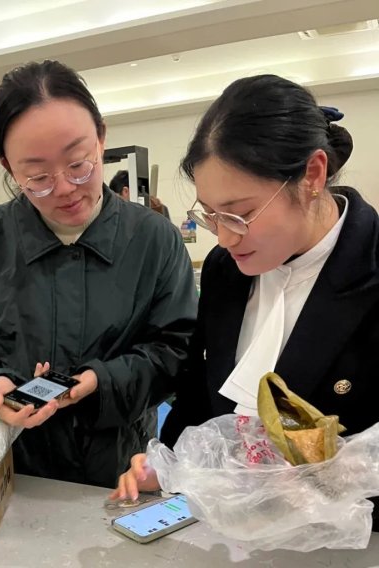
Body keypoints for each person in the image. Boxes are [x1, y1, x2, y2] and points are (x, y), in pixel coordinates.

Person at [112, 74, 379, 515]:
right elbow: (200, 397)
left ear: (313, 174)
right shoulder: (227, 270)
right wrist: (171, 465)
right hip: (227, 531)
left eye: (240, 214)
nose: (224, 238)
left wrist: (331, 483)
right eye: (210, 215)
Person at [0, 60, 198, 488]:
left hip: (122, 469)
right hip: (13, 471)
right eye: (38, 177)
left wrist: (101, 381)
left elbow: (176, 351)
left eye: (79, 164)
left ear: (101, 138)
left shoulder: (153, 239)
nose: (64, 188)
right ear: (9, 168)